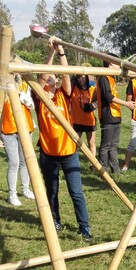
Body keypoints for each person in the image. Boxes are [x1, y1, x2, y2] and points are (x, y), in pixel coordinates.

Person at [34, 38, 92, 241]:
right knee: (52, 192)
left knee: (76, 192)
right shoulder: (39, 98)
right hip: (49, 154)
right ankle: (54, 221)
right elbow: (41, 76)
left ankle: (84, 228)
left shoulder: (63, 95)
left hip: (69, 153)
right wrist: (50, 53)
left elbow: (66, 76)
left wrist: (61, 52)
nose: (53, 79)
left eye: (54, 78)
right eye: (49, 78)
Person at [96, 53, 136, 174]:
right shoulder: (103, 77)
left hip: (116, 116)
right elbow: (108, 96)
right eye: (117, 63)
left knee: (113, 145)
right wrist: (126, 103)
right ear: (111, 63)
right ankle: (103, 170)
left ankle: (116, 170)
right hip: (108, 116)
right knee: (106, 145)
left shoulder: (112, 77)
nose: (119, 66)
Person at [1, 75, 35, 206]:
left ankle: (25, 189)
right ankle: (12, 194)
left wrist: (20, 94)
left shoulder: (24, 86)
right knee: (14, 163)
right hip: (8, 130)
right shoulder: (2, 90)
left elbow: (31, 105)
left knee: (24, 161)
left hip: (25, 129)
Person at [71, 72, 97, 161]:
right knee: (75, 144)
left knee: (91, 143)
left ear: (86, 77)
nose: (80, 79)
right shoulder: (73, 88)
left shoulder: (93, 89)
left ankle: (93, 164)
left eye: (82, 77)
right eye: (78, 78)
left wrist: (92, 106)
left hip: (90, 121)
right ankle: (74, 162)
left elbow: (98, 102)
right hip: (77, 120)